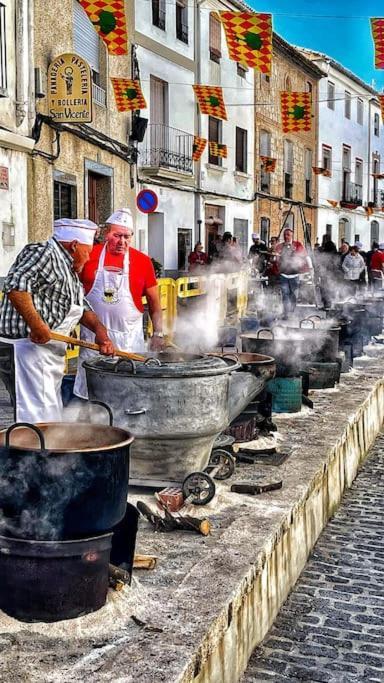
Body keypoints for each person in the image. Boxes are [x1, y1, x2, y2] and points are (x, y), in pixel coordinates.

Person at [0, 219, 115, 422]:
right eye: (87, 252)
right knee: (33, 416)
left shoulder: (69, 270)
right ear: (74, 246)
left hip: (46, 356)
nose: (88, 259)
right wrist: (37, 325)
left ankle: (45, 452)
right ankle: (30, 454)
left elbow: (81, 306)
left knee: (49, 414)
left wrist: (99, 330)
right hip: (24, 350)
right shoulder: (45, 252)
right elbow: (16, 285)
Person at [74, 208, 164, 399]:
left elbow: (155, 302)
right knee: (92, 394)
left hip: (129, 340)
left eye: (127, 237)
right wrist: (70, 323)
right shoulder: (90, 255)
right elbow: (74, 292)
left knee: (129, 393)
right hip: (93, 339)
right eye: (117, 236)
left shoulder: (142, 261)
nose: (122, 242)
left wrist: (158, 333)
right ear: (107, 234)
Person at [276, 228, 312, 318]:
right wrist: (274, 258)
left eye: (288, 234)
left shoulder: (297, 244)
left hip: (294, 275)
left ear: (292, 235)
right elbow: (275, 257)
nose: (286, 236)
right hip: (283, 275)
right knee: (285, 294)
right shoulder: (280, 246)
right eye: (284, 235)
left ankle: (292, 311)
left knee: (294, 296)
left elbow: (306, 256)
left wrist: (311, 268)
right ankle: (286, 313)